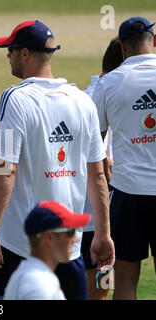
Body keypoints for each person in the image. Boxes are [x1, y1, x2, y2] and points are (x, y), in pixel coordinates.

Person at [0, 20, 115, 300]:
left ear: (26, 54)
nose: (8, 56)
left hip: (23, 247)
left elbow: (5, 169)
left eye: (11, 50)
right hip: (70, 247)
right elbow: (98, 175)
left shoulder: (14, 98)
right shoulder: (82, 101)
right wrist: (103, 234)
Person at [93, 16, 156, 300]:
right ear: (153, 41)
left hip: (129, 193)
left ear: (122, 47)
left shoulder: (108, 83)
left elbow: (95, 142)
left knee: (126, 277)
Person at [81, 37, 123, 300]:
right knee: (99, 291)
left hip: (76, 217)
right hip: (98, 221)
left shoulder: (83, 97)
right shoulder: (109, 99)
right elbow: (105, 166)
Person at [4, 201, 91, 300]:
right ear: (49, 237)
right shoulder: (38, 286)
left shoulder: (34, 277)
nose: (76, 238)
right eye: (70, 232)